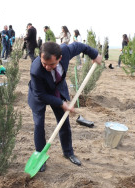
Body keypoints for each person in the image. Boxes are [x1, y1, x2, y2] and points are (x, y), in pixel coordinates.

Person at [27, 42, 102, 171]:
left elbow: (81, 46)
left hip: (57, 90)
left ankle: (68, 152)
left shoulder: (66, 51)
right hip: (38, 95)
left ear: (60, 58)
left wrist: (94, 54)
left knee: (63, 122)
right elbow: (41, 95)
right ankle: (40, 155)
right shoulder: (36, 70)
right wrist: (61, 103)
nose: (47, 67)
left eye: (51, 64)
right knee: (39, 124)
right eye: (44, 63)